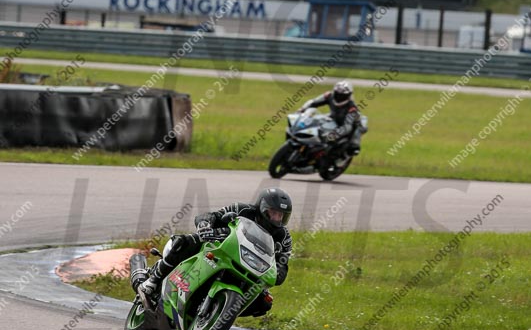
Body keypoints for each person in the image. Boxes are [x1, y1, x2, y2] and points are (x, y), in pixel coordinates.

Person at [135, 188, 293, 317]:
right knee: (182, 242)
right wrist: (205, 224)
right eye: (273, 213)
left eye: (281, 215)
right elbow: (212, 216)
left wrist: (277, 273)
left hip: (251, 267)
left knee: (264, 303)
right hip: (219, 247)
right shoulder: (242, 209)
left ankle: (220, 313)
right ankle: (152, 281)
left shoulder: (284, 237)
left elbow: (283, 265)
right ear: (263, 207)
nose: (276, 218)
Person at [298, 80, 364, 158]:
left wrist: (332, 135)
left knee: (353, 148)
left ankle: (340, 159)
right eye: (337, 94)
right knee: (317, 123)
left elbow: (347, 127)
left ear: (348, 95)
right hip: (334, 117)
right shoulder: (329, 95)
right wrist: (302, 110)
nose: (339, 97)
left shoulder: (352, 108)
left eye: (342, 96)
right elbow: (313, 102)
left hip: (352, 126)